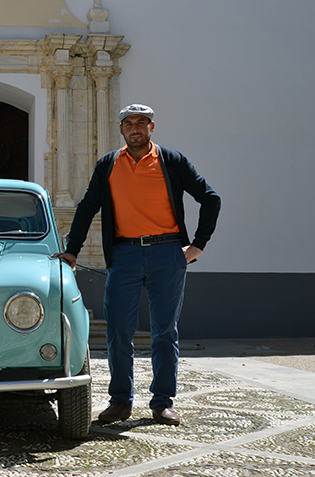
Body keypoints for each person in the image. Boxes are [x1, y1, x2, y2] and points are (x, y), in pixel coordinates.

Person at [52, 104, 220, 426]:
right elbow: (88, 207)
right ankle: (120, 402)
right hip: (125, 255)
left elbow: (210, 197)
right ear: (121, 130)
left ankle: (162, 403)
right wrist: (72, 249)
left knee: (164, 332)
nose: (135, 129)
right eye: (128, 124)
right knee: (118, 330)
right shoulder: (108, 165)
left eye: (141, 123)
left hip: (167, 253)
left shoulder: (172, 161)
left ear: (152, 127)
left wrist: (198, 245)